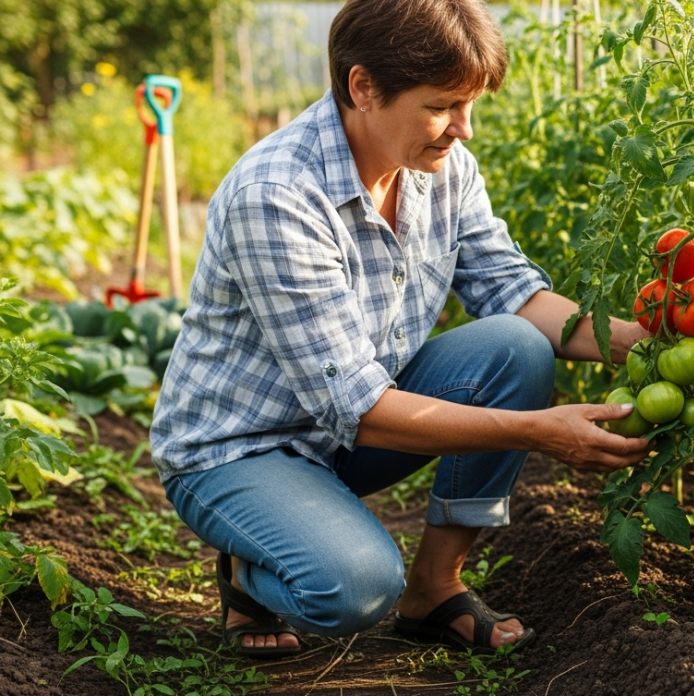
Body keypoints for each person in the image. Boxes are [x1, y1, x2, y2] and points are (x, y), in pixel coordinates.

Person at [150, 0, 652, 658]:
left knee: (517, 349)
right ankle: (249, 571)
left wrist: (647, 345)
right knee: (353, 588)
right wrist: (539, 432)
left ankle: (435, 589)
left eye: (470, 106)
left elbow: (514, 295)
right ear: (363, 87)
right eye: (443, 106)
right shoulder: (277, 196)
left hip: (347, 430)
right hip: (240, 450)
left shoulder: (439, 169)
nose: (462, 130)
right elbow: (357, 407)